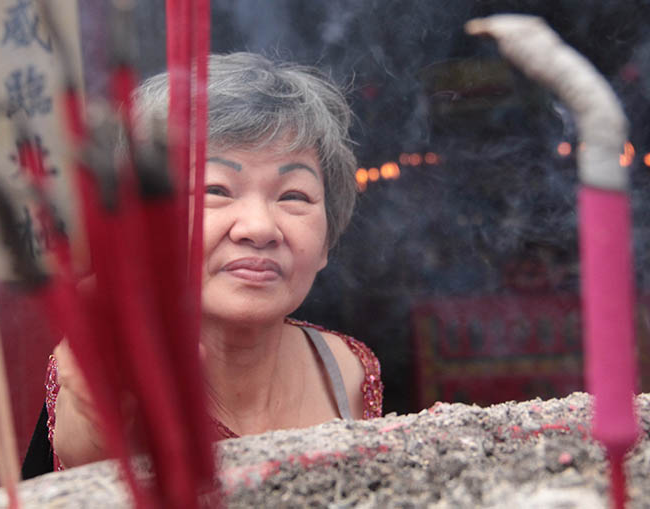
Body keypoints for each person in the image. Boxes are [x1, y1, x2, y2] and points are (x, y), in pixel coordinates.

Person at [22, 52, 383, 477]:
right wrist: (100, 413)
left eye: (294, 196)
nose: (259, 227)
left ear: (325, 241)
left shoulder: (349, 367)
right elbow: (88, 440)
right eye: (216, 188)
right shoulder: (118, 368)